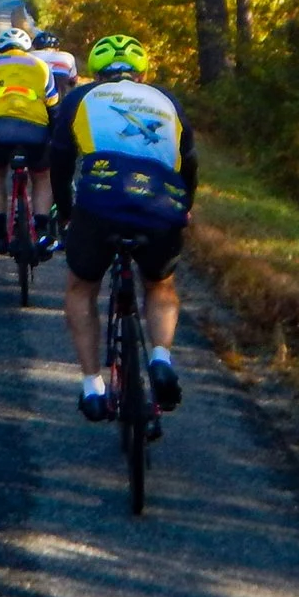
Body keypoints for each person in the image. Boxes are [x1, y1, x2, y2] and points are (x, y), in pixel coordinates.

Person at [46, 33, 197, 424]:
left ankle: (92, 386)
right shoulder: (167, 100)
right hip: (161, 201)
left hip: (100, 201)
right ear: (142, 72)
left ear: (95, 74)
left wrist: (64, 211)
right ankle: (161, 357)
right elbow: (189, 161)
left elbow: (60, 159)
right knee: (159, 284)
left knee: (82, 286)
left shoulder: (80, 100)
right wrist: (185, 209)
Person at [0, 25, 55, 256]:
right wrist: (54, 135)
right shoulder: (41, 66)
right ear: (28, 48)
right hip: (35, 130)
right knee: (41, 177)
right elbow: (54, 106)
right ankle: (40, 230)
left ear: (1, 49)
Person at [30, 28, 77, 103]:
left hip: (34, 103)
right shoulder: (68, 57)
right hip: (60, 103)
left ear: (35, 47)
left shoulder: (28, 56)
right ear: (57, 49)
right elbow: (73, 83)